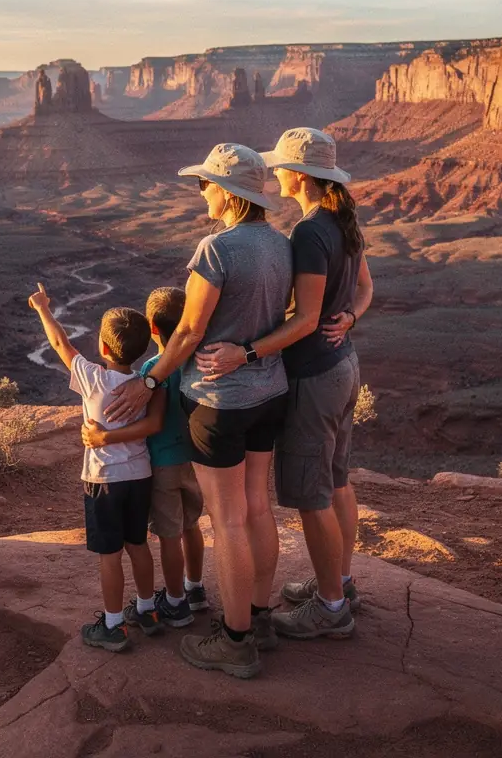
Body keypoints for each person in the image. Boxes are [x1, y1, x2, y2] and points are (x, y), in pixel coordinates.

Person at [105, 143, 292, 679]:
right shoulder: (281, 244)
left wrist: (149, 380)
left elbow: (187, 331)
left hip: (219, 403)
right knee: (257, 508)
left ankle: (235, 641)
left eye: (206, 183)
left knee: (227, 520)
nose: (201, 191)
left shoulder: (216, 249)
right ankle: (259, 618)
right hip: (269, 393)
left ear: (228, 193)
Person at [196, 127, 373, 641]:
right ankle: (339, 583)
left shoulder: (310, 232)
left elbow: (306, 320)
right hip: (344, 365)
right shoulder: (343, 221)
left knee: (312, 495)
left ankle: (331, 608)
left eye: (280, 168)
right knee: (336, 480)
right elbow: (365, 288)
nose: (274, 175)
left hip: (315, 374)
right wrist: (352, 318)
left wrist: (245, 352)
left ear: (299, 176)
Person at [28, 283, 166, 651]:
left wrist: (43, 308)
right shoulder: (146, 385)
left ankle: (113, 625)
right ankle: (148, 610)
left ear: (103, 347)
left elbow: (60, 344)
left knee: (110, 554)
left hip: (103, 479)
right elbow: (153, 424)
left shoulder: (93, 378)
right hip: (140, 476)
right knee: (138, 544)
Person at [82, 286, 208, 627]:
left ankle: (176, 603)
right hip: (195, 460)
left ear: (153, 328)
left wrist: (104, 436)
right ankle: (195, 588)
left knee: (169, 534)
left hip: (164, 464)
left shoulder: (153, 370)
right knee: (191, 525)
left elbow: (153, 421)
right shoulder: (196, 359)